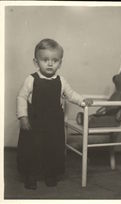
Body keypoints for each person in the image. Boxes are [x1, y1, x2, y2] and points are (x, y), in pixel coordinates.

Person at [16, 38, 92, 190]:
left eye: (54, 60)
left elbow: (71, 95)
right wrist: (23, 117)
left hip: (54, 124)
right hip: (35, 123)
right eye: (45, 60)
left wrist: (83, 101)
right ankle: (31, 175)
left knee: (53, 149)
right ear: (36, 62)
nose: (50, 64)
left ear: (60, 63)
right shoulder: (31, 80)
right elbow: (21, 97)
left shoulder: (61, 81)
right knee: (32, 149)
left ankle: (50, 174)